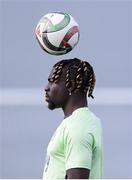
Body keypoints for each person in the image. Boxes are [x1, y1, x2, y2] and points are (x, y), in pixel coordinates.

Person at [43, 58, 103, 179]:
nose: (46, 87)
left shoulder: (78, 127)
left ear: (71, 85)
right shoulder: (80, 121)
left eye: (52, 81)